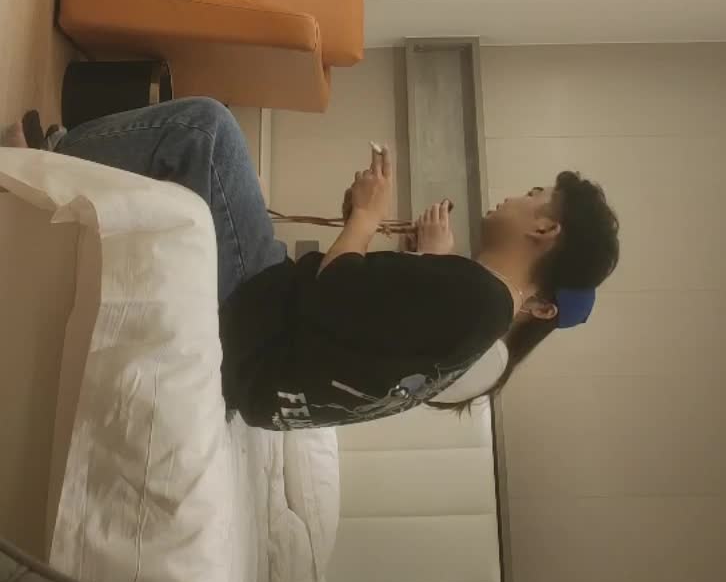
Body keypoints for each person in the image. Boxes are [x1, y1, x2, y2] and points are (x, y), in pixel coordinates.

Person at [3, 97, 620, 430]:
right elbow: (350, 312)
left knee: (206, 130)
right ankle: (67, 167)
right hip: (263, 362)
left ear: (545, 229)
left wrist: (366, 216)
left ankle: (42, 163)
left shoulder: (478, 298)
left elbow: (332, 293)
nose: (516, 196)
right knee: (208, 175)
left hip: (253, 334)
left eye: (534, 195)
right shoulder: (480, 315)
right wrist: (386, 237)